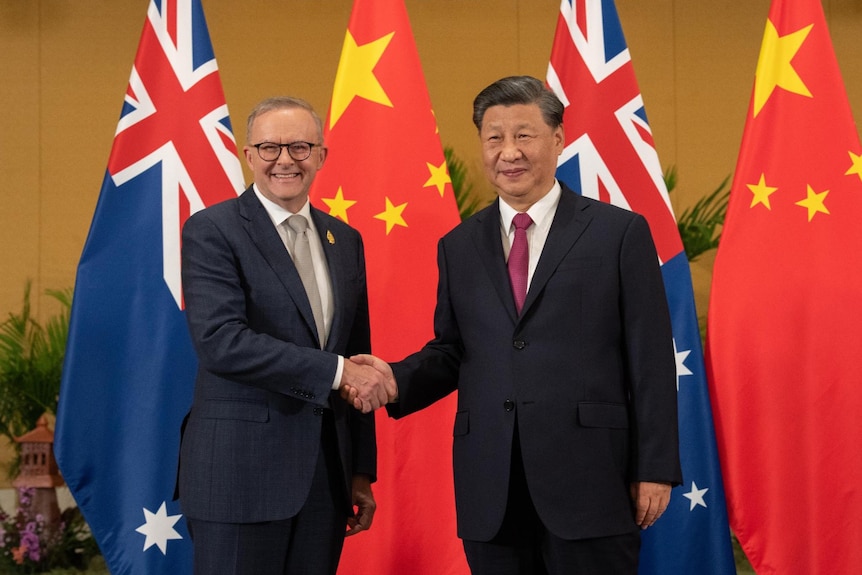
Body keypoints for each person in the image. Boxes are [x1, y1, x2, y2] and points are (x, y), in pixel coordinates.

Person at [349, 76, 682, 574]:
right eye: (494, 137)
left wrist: (654, 469)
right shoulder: (459, 246)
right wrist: (395, 380)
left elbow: (651, 360)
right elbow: (453, 351)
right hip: (492, 484)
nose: (510, 152)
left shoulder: (619, 233)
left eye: (524, 135)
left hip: (592, 478)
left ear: (558, 139)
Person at [177, 96, 395, 575]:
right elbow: (220, 341)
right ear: (248, 155)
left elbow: (356, 354)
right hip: (238, 476)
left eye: (299, 146)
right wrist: (337, 372)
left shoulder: (345, 240)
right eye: (270, 147)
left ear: (320, 155)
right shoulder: (213, 230)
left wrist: (360, 469)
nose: (285, 160)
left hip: (325, 479)